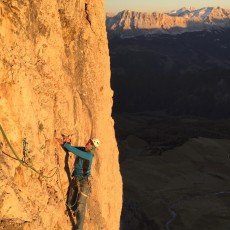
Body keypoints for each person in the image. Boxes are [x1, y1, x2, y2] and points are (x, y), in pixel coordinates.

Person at [56, 135, 100, 230]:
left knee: (81, 207)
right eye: (89, 141)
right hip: (76, 179)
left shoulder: (88, 155)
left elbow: (74, 151)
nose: (88, 143)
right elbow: (70, 149)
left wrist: (64, 143)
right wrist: (68, 142)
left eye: (90, 143)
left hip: (84, 182)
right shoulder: (83, 150)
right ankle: (73, 214)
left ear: (93, 147)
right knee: (71, 203)